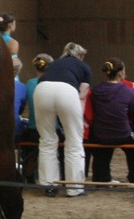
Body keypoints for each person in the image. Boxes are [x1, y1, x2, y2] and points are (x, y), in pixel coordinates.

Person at [33, 42, 91, 197]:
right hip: (68, 91)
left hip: (42, 90)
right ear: (80, 55)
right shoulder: (84, 67)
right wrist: (79, 120)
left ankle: (49, 186)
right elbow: (82, 96)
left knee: (47, 140)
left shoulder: (53, 64)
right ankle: (74, 188)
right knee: (74, 141)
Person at [87, 57, 134, 184]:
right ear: (120, 73)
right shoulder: (128, 91)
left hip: (101, 134)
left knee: (101, 152)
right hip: (122, 134)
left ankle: (101, 177)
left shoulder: (96, 90)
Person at [20, 53, 56, 183]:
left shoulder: (30, 83)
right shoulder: (54, 83)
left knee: (29, 149)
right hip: (52, 129)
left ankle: (29, 175)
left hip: (33, 129)